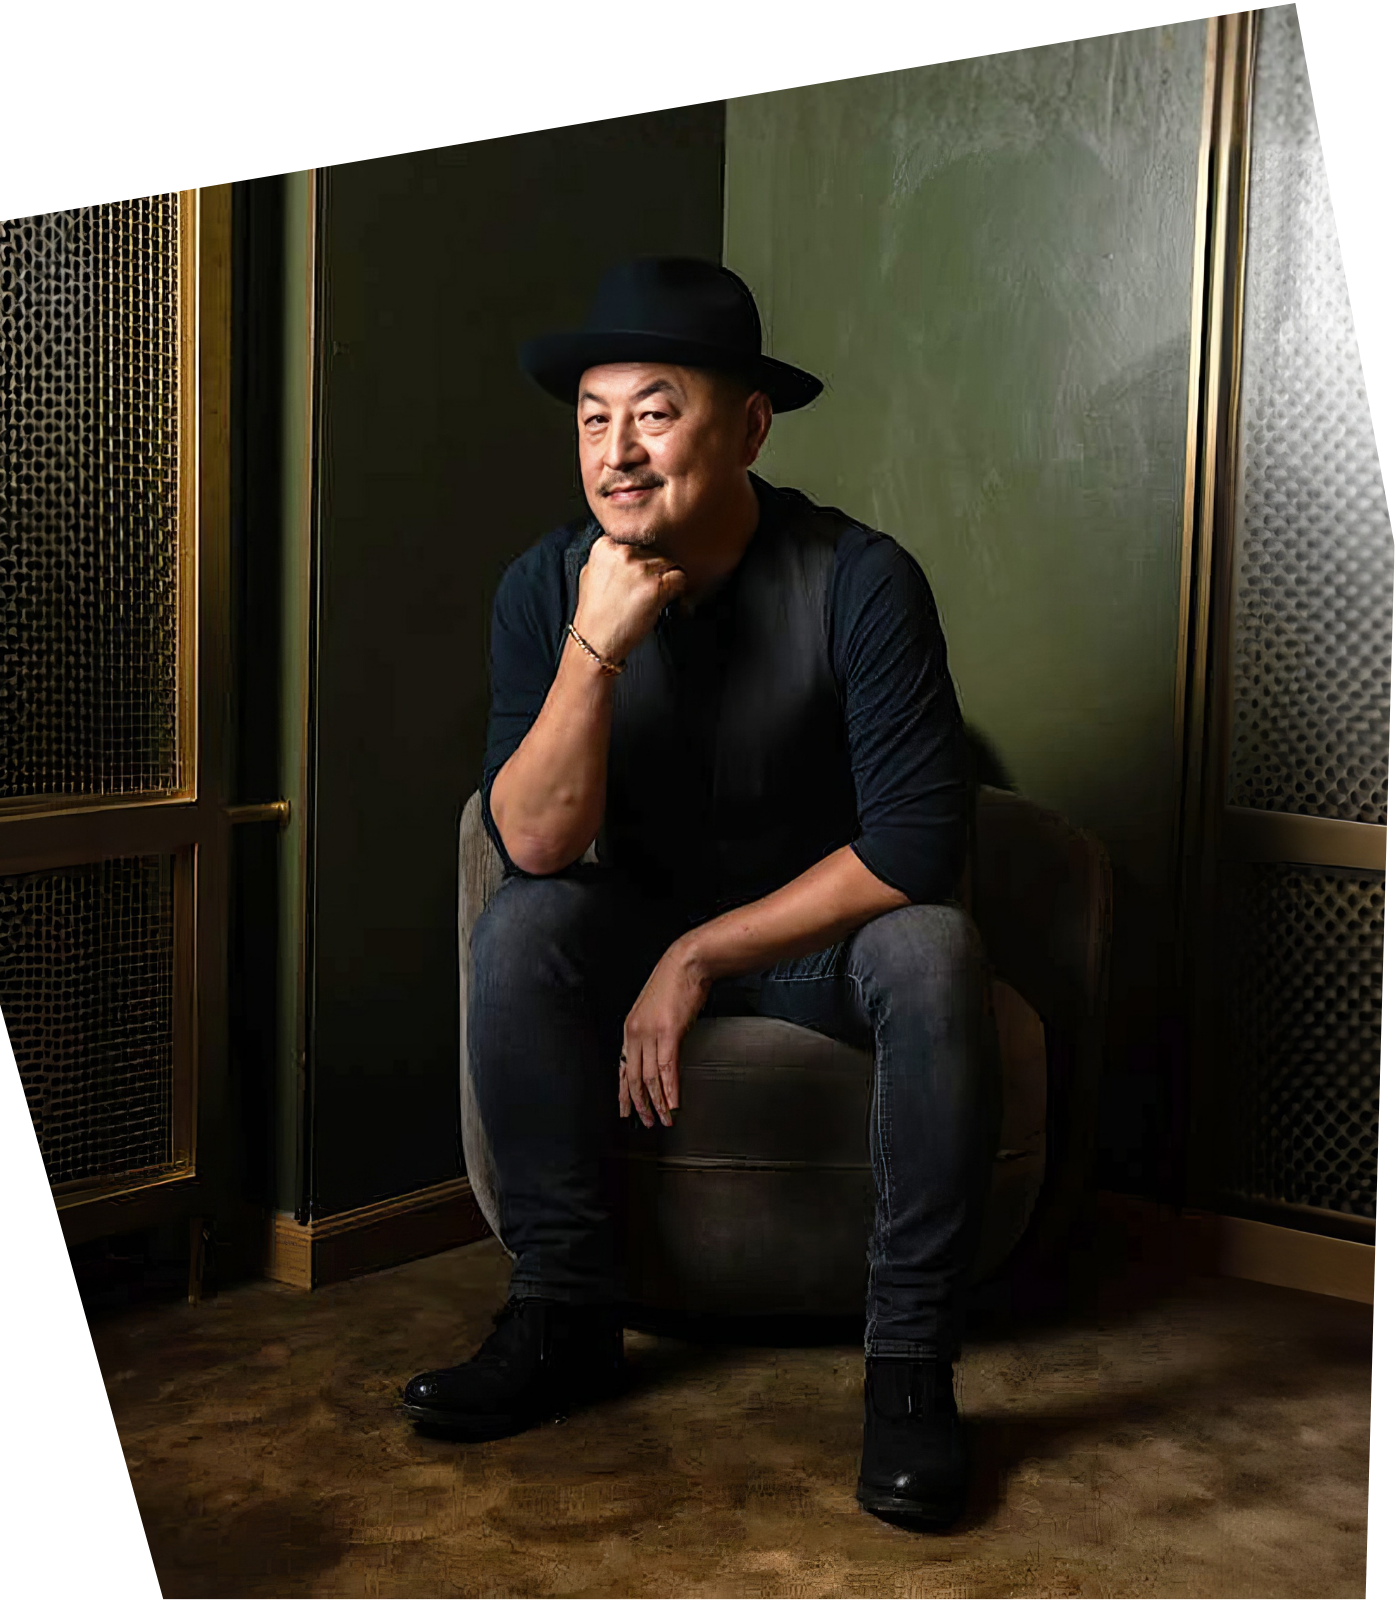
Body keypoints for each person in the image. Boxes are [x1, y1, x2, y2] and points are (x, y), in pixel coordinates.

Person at [402, 257, 1002, 1531]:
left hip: (819, 942)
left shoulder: (862, 579)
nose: (616, 450)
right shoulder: (545, 584)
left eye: (655, 411)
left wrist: (696, 958)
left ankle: (908, 1370)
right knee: (521, 929)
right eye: (591, 418)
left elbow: (910, 848)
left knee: (935, 950)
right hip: (628, 917)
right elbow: (534, 845)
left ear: (748, 425)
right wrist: (594, 646)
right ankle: (564, 1319)